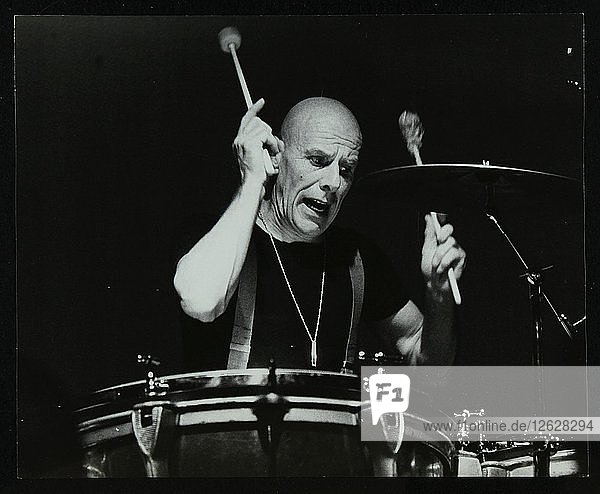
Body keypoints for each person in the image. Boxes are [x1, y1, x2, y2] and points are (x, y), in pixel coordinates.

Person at [173, 97, 466, 372]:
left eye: (346, 169)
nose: (333, 182)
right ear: (276, 157)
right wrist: (252, 180)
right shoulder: (217, 234)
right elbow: (202, 302)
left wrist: (438, 294)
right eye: (317, 160)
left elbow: (431, 369)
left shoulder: (357, 258)